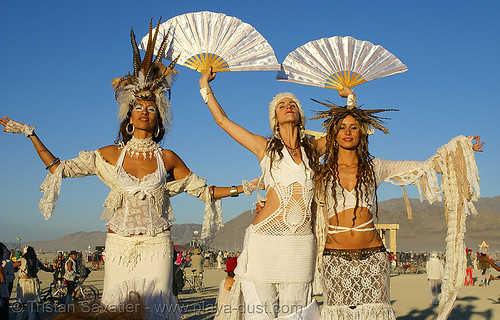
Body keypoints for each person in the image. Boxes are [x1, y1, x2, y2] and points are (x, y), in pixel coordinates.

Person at [0, 20, 246, 320]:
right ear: (129, 114)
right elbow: (58, 168)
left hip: (157, 245)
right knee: (117, 310)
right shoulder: (109, 154)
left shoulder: (168, 158)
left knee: (156, 309)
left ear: (159, 120)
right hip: (118, 245)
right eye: (139, 107)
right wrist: (29, 133)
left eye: (151, 108)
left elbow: (203, 191)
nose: (145, 111)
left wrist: (245, 187)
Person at [312, 88, 483, 319]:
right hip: (334, 258)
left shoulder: (375, 167)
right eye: (341, 127)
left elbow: (423, 168)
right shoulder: (319, 171)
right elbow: (285, 170)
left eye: (354, 127)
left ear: (362, 133)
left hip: (374, 257)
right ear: (332, 133)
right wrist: (350, 103)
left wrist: (460, 151)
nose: (348, 132)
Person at [199, 67, 323, 319]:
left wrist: (349, 99)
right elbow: (223, 121)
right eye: (281, 105)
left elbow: (347, 131)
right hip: (264, 239)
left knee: (297, 312)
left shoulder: (313, 149)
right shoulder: (264, 148)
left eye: (293, 104)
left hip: (300, 243)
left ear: (300, 115)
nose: (288, 106)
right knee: (261, 313)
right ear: (274, 118)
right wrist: (205, 86)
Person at [15, 246, 52, 320]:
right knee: (32, 304)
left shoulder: (22, 260)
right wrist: (50, 270)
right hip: (33, 283)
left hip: (23, 283)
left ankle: (19, 318)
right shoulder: (36, 260)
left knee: (21, 303)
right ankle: (31, 318)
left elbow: (13, 266)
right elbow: (43, 268)